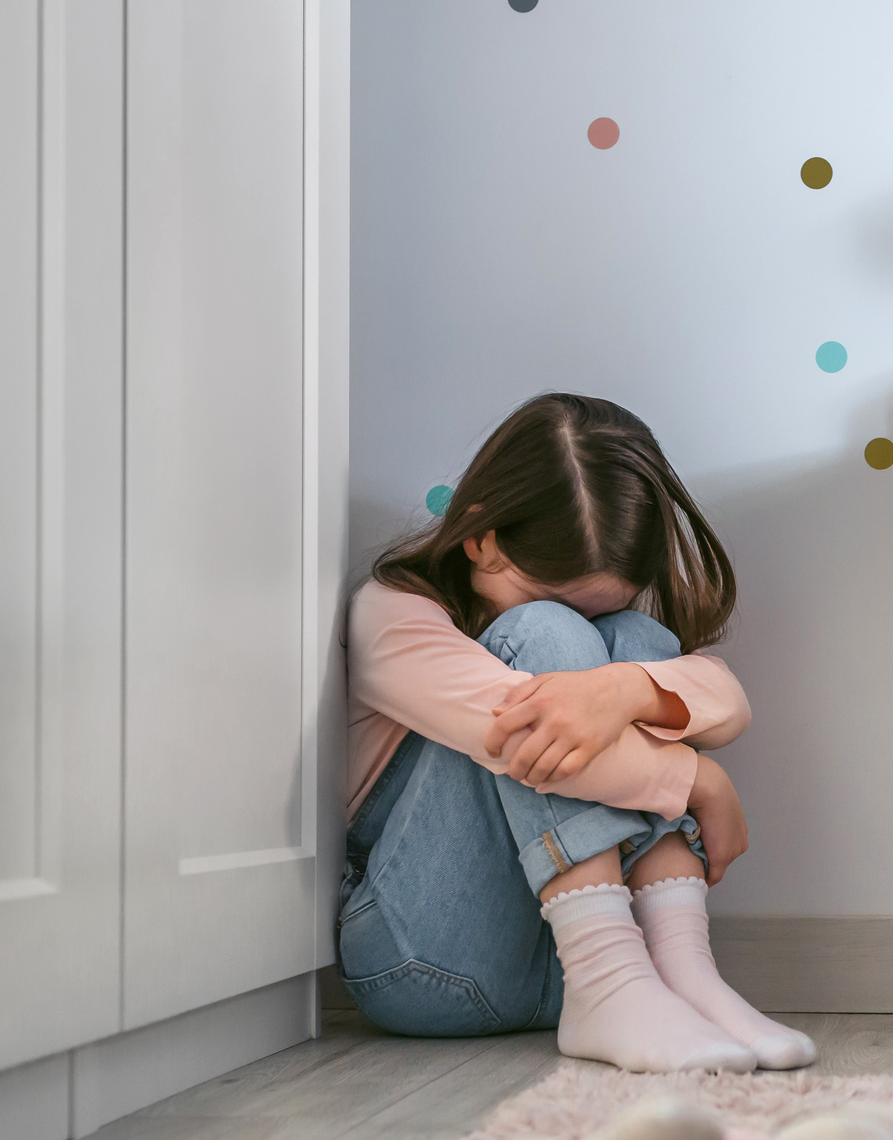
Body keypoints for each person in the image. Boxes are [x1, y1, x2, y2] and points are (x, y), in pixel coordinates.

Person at [340, 393, 813, 1074]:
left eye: (598, 604)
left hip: (565, 963)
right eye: (550, 592)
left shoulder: (607, 630)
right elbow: (528, 736)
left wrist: (624, 689)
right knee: (545, 640)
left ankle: (681, 969)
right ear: (482, 538)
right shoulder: (393, 617)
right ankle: (609, 978)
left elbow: (726, 700)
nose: (580, 627)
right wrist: (699, 778)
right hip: (425, 961)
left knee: (635, 640)